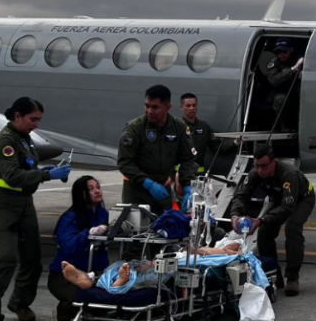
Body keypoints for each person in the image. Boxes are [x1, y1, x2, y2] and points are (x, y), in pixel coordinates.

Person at [0, 96, 71, 321]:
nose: (36, 124)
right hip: (3, 204)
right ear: (17, 116)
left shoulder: (24, 139)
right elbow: (11, 175)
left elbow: (26, 170)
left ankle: (19, 302)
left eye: (39, 119)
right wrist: (47, 176)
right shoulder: (5, 140)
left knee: (31, 258)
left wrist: (43, 172)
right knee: (4, 260)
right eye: (33, 119)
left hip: (23, 203)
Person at [230, 144, 315, 296]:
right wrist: (235, 215)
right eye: (257, 166)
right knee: (264, 234)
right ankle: (273, 274)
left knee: (292, 228)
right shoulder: (256, 172)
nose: (260, 170)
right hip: (280, 199)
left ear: (273, 163)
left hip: (302, 199)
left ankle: (292, 278)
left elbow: (287, 208)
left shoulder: (289, 174)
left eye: (264, 166)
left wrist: (260, 219)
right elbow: (240, 195)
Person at [46, 175, 122, 321]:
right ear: (80, 194)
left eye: (98, 187)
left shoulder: (103, 215)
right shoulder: (70, 218)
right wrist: (88, 234)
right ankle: (64, 313)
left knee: (107, 298)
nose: (96, 191)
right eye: (90, 189)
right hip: (66, 276)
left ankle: (89, 311)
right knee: (83, 294)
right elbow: (68, 245)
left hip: (94, 273)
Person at [118, 84, 197, 216]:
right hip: (137, 191)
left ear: (168, 107)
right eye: (147, 106)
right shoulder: (134, 128)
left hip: (163, 190)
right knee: (137, 230)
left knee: (165, 228)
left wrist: (188, 186)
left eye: (155, 107)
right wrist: (148, 184)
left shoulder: (179, 127)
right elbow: (124, 162)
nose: (149, 111)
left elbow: (188, 159)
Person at [59, 241, 242, 293]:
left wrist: (228, 251)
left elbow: (226, 254)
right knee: (137, 267)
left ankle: (112, 281)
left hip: (173, 262)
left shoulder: (224, 251)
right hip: (166, 260)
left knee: (146, 272)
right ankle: (90, 278)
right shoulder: (221, 247)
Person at [179, 93, 236, 175]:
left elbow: (216, 146)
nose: (191, 108)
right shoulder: (176, 127)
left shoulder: (204, 127)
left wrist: (234, 143)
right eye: (188, 106)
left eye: (194, 105)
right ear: (181, 107)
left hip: (199, 176)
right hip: (180, 176)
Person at [255, 38, 303, 130]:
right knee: (281, 100)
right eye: (278, 52)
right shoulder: (274, 64)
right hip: (282, 92)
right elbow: (274, 79)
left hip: (298, 92)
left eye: (284, 51)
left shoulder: (298, 59)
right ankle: (285, 127)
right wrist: (292, 70)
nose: (281, 54)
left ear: (291, 50)